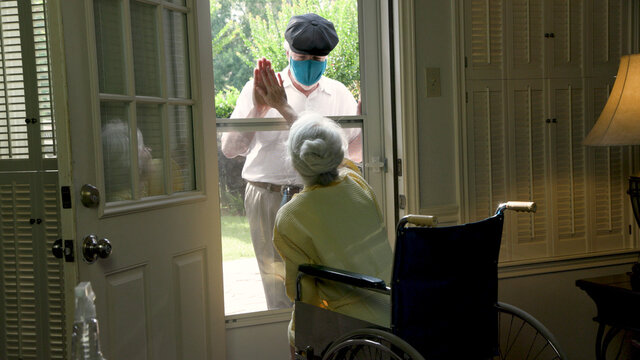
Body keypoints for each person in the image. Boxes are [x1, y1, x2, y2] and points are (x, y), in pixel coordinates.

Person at [220, 13, 361, 310]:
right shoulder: (258, 88)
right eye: (302, 56)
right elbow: (230, 148)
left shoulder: (339, 94)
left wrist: (369, 121)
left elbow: (353, 155)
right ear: (287, 52)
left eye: (317, 59)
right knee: (277, 286)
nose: (309, 63)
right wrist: (258, 109)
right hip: (268, 196)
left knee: (323, 285)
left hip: (321, 198)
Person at [272, 112, 392, 356]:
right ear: (336, 153)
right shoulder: (358, 183)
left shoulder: (291, 216)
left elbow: (302, 294)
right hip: (395, 308)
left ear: (296, 161)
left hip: (350, 329)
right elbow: (341, 162)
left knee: (295, 330)